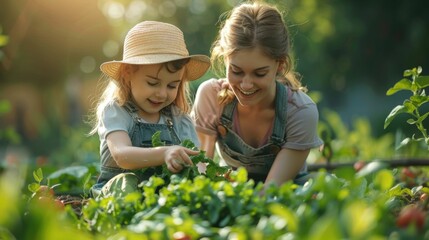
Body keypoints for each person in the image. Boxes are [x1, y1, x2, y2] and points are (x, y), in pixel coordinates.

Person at [191, 1, 323, 187]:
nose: (246, 84)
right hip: (234, 188)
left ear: (281, 65)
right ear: (225, 59)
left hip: (286, 194)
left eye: (259, 73)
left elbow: (271, 192)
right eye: (236, 71)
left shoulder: (301, 112)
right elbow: (202, 169)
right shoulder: (211, 96)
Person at [89, 21, 210, 197]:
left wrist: (202, 179)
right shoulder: (117, 111)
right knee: (127, 184)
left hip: (163, 196)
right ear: (127, 73)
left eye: (172, 85)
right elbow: (122, 155)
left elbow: (198, 163)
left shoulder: (179, 118)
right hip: (119, 193)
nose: (162, 94)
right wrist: (165, 153)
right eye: (153, 83)